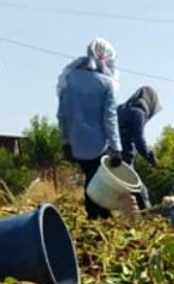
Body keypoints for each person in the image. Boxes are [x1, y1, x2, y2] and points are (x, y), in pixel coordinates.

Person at [57, 38, 122, 221]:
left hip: (76, 140)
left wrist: (66, 141)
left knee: (90, 177)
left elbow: (62, 113)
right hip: (98, 142)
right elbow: (110, 117)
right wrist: (116, 147)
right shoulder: (106, 83)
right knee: (98, 181)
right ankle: (98, 216)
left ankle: (95, 215)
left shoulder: (70, 77)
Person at [117, 86, 161, 210]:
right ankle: (148, 220)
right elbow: (139, 141)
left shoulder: (121, 109)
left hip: (110, 155)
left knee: (124, 195)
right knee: (141, 192)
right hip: (124, 160)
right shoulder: (138, 113)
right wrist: (150, 158)